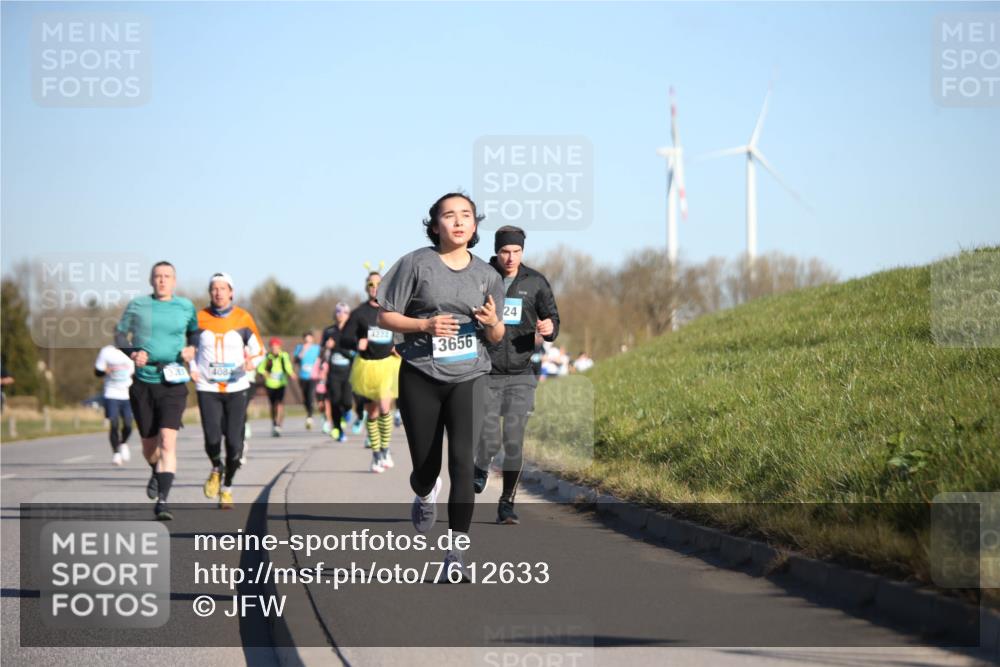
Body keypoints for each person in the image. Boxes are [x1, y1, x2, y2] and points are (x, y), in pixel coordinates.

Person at [377, 192, 505, 581]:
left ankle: (456, 553)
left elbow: (497, 336)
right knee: (427, 466)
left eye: (466, 215)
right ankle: (424, 489)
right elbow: (384, 317)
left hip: (471, 374)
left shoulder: (488, 275)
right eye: (450, 216)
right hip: (421, 373)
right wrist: (424, 325)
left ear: (475, 225)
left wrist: (491, 322)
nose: (459, 222)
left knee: (463, 464)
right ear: (435, 226)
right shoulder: (416, 264)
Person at [474, 226, 560, 525]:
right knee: (489, 436)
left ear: (523, 252)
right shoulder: (481, 276)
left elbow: (553, 317)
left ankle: (507, 503)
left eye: (516, 252)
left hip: (521, 373)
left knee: (514, 439)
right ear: (496, 251)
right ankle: (482, 463)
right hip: (485, 370)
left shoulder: (535, 282)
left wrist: (550, 329)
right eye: (505, 252)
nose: (510, 257)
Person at [114, 261, 198, 521]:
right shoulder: (138, 306)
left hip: (173, 381)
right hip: (143, 382)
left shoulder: (185, 306)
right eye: (157, 276)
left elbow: (195, 333)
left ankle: (163, 500)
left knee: (167, 441)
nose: (162, 280)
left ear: (174, 280)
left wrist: (191, 348)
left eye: (167, 276)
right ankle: (154, 469)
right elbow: (119, 335)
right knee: (149, 445)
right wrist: (133, 352)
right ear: (151, 280)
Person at [190, 272, 264, 509]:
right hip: (207, 386)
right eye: (214, 289)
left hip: (237, 386)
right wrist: (191, 367)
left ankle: (228, 486)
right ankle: (215, 467)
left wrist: (253, 361)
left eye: (223, 288)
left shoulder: (243, 318)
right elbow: (187, 349)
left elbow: (259, 350)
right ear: (210, 292)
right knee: (212, 438)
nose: (218, 293)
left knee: (234, 445)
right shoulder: (198, 318)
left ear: (231, 292)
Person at [348, 267, 401, 472]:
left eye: (378, 284)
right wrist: (357, 342)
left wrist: (399, 345)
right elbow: (344, 338)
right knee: (371, 411)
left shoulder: (391, 309)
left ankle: (385, 449)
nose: (374, 287)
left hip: (388, 365)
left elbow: (402, 329)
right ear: (366, 287)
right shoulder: (359, 313)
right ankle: (376, 453)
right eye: (371, 284)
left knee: (385, 407)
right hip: (367, 367)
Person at [94, 344, 135, 467]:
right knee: (114, 423)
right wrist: (104, 371)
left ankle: (123, 443)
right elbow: (97, 372)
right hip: (111, 393)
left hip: (127, 394)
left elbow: (137, 372)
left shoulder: (132, 350)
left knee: (128, 424)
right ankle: (116, 453)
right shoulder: (106, 351)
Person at [321, 302, 355, 442]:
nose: (340, 314)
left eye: (344, 312)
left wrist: (337, 348)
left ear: (348, 315)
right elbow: (321, 352)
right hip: (333, 371)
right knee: (334, 400)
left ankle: (347, 411)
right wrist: (326, 347)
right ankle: (338, 429)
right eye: (338, 311)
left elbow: (353, 353)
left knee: (347, 401)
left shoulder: (352, 332)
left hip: (348, 371)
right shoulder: (329, 331)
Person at [258, 337, 294, 436]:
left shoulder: (283, 356)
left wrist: (291, 373)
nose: (274, 349)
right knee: (273, 405)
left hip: (281, 383)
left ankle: (278, 425)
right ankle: (274, 423)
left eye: (276, 347)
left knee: (279, 404)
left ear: (279, 347)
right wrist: (266, 374)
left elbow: (288, 366)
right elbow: (260, 368)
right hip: (270, 384)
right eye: (273, 347)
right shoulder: (267, 357)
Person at [293, 332, 321, 430]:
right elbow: (296, 361)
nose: (307, 341)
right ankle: (309, 411)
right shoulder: (299, 347)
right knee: (305, 397)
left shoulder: (317, 348)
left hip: (313, 376)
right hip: (302, 376)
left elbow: (321, 360)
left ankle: (310, 416)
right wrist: (302, 351)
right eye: (305, 340)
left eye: (309, 339)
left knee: (310, 395)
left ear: (312, 339)